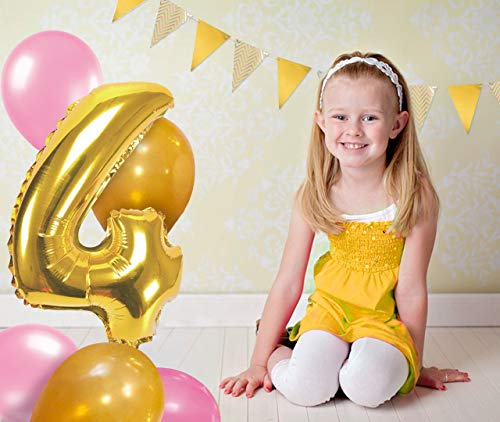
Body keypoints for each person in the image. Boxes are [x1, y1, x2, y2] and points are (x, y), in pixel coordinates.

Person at [219, 51, 471, 408]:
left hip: (383, 320)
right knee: (306, 389)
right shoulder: (316, 192)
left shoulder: (414, 193)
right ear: (321, 121)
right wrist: (258, 363)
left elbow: (412, 288)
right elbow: (289, 281)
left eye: (370, 117)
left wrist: (414, 365)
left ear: (397, 125)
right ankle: (279, 348)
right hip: (330, 312)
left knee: (367, 389)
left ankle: (355, 362)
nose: (353, 130)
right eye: (340, 117)